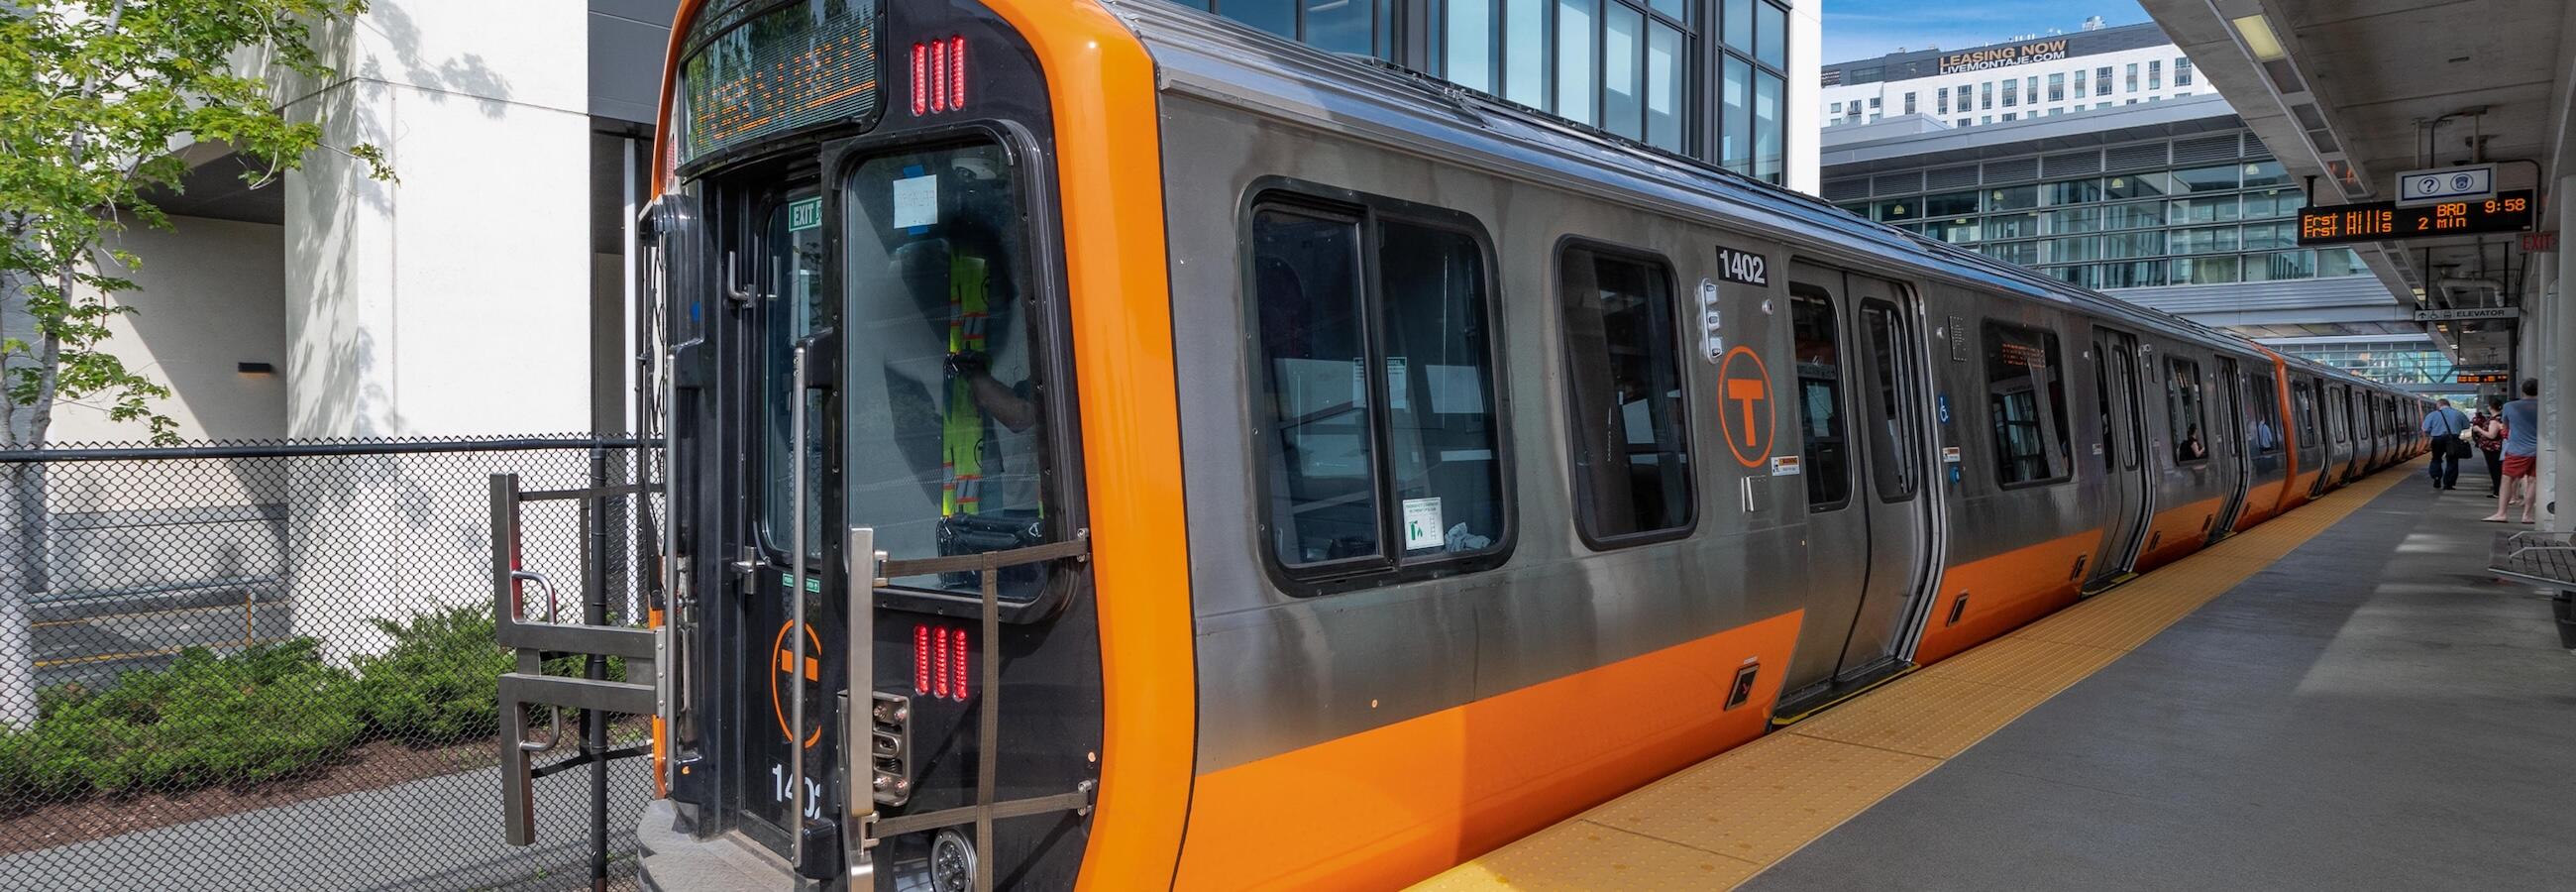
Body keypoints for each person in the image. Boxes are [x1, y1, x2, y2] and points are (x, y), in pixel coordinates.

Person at [2484, 379, 2541, 523]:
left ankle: (2501, 513)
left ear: (2523, 390)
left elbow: (2506, 428)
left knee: (2507, 479)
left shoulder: (2510, 406)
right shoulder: (2544, 406)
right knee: (2533, 481)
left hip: (2517, 450)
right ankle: (2527, 515)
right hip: (2539, 450)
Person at [2420, 397, 2471, 491]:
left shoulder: (2432, 415)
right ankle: (2448, 484)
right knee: (2452, 461)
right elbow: (2466, 426)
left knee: (2436, 459)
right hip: (2454, 439)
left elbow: (2425, 429)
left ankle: (2436, 477)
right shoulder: (2459, 413)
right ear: (2449, 404)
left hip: (2438, 439)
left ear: (2439, 405)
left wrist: (2434, 430)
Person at [2472, 395, 2509, 497]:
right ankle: (2498, 489)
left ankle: (2497, 491)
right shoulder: (2501, 418)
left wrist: (2478, 429)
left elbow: (2491, 435)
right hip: (2497, 447)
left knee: (2494, 470)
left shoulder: (2494, 420)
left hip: (2492, 448)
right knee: (2498, 469)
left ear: (2491, 407)